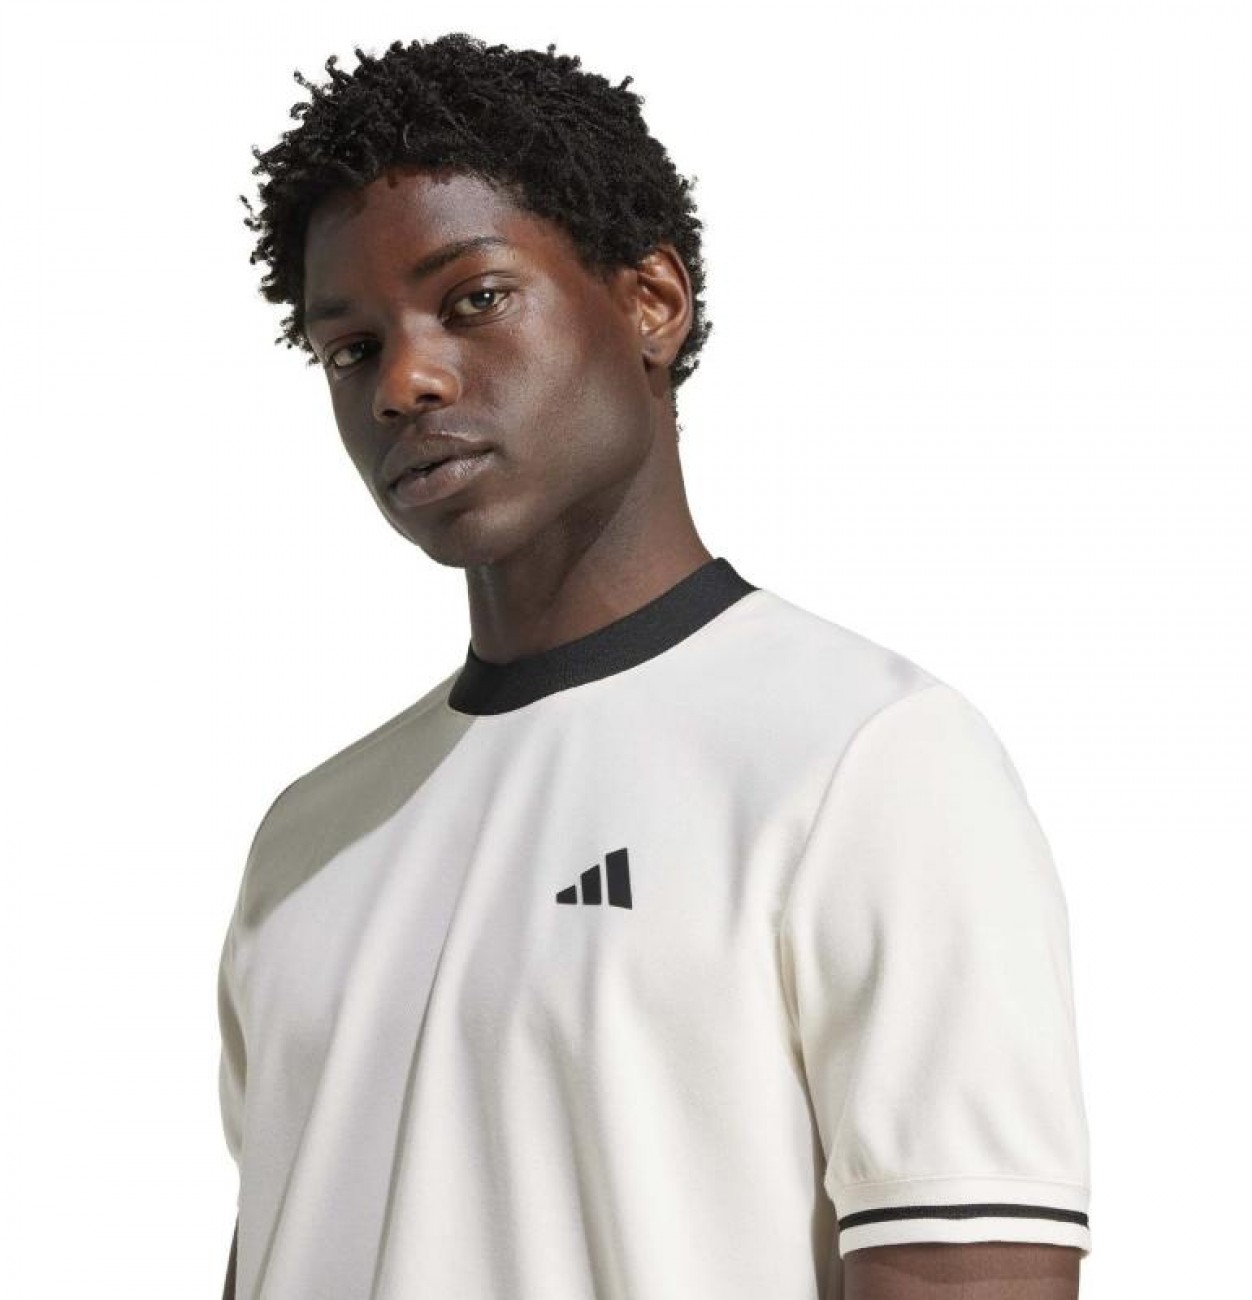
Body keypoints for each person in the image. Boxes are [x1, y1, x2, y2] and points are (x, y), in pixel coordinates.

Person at [217, 33, 1091, 1300]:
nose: (404, 381)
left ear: (651, 302)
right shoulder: (306, 838)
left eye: (474, 299)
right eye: (350, 348)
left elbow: (967, 1274)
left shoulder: (864, 759)